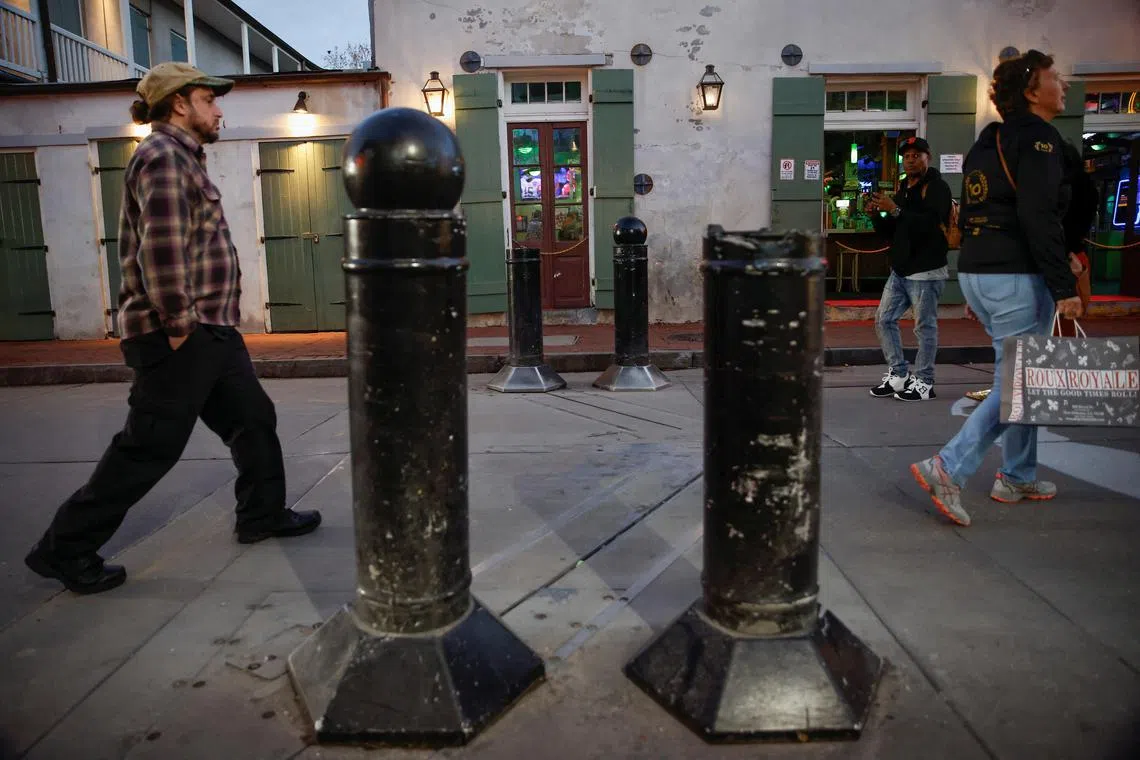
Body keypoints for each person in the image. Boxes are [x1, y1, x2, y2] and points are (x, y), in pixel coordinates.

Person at [25, 62, 321, 595]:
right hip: (180, 331)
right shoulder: (162, 159)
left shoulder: (183, 159)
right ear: (180, 103)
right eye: (210, 99)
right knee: (150, 446)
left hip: (211, 330)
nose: (219, 109)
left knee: (253, 418)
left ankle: (261, 514)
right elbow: (162, 252)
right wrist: (181, 327)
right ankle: (65, 549)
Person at [911, 50, 1083, 526]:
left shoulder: (987, 141)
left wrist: (975, 289)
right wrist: (1063, 283)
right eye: (1054, 77)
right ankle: (949, 466)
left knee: (1019, 375)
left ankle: (1019, 474)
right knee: (1020, 383)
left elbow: (969, 213)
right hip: (1015, 274)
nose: (1063, 85)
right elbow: (1039, 216)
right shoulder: (1040, 140)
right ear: (1032, 90)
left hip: (979, 270)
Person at [962, 137, 1097, 403]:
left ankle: (1017, 388)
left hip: (1051, 262)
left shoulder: (1063, 186)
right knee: (1032, 332)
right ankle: (1018, 387)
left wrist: (1063, 268)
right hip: (1042, 263)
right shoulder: (1042, 185)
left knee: (1040, 331)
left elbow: (1060, 228)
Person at [866, 136, 954, 401]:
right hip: (901, 269)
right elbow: (893, 231)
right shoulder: (903, 188)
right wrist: (876, 215)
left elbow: (929, 225)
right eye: (907, 156)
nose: (911, 160)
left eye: (917, 155)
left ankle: (925, 381)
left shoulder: (938, 187)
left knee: (924, 327)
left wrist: (895, 211)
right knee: (884, 319)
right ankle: (899, 374)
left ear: (928, 158)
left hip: (926, 270)